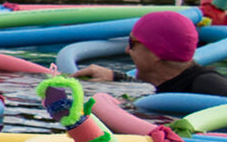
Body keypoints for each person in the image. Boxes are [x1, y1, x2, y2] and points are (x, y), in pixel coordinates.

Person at [72, 10, 227, 96]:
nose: (127, 50)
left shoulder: (207, 84)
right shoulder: (177, 81)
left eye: (132, 44)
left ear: (156, 53)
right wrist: (115, 77)